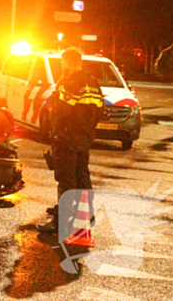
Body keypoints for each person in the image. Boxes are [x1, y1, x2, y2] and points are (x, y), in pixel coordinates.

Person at [37, 47, 104, 233]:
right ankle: (87, 215)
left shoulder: (67, 83)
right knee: (82, 176)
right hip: (85, 138)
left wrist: (55, 134)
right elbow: (100, 110)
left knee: (65, 180)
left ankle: (61, 223)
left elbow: (61, 113)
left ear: (67, 62)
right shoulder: (93, 83)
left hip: (66, 138)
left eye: (62, 63)